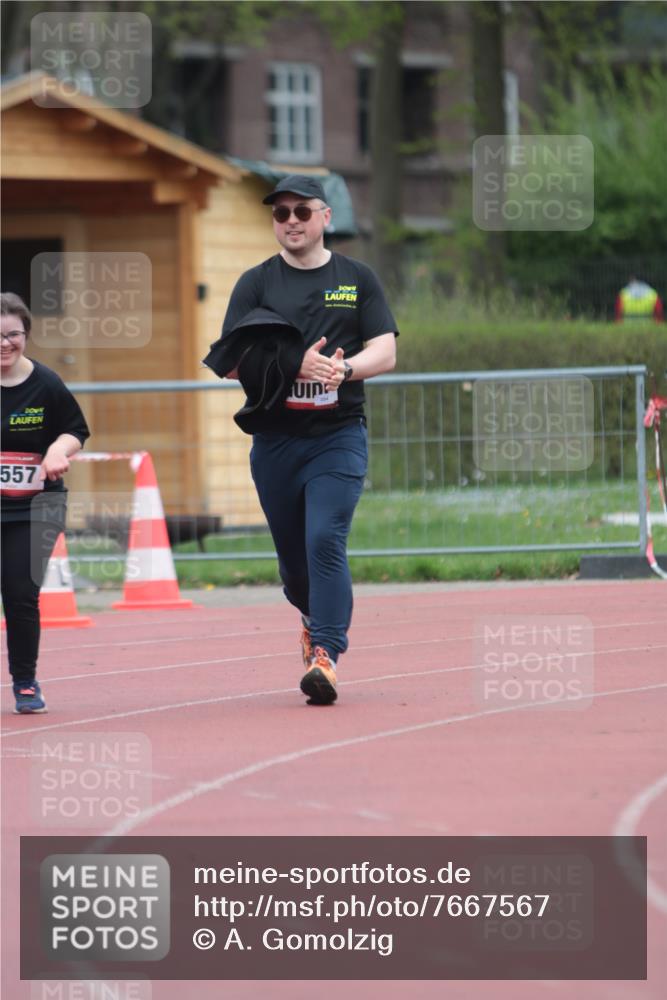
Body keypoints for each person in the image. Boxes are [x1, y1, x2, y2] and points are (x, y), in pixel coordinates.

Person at [215, 175, 398, 705]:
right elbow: (228, 363)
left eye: (301, 212)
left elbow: (384, 351)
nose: (290, 221)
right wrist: (295, 362)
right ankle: (313, 619)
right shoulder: (255, 284)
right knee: (295, 567)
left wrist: (344, 371)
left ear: (325, 218)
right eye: (281, 214)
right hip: (275, 442)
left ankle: (326, 655)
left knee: (325, 539)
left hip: (337, 436)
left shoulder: (356, 278)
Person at [1, 292, 90, 714]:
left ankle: (25, 682)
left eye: (12, 335)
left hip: (36, 506)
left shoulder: (47, 383)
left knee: (20, 593)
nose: (4, 343)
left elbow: (76, 430)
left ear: (26, 336)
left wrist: (58, 450)